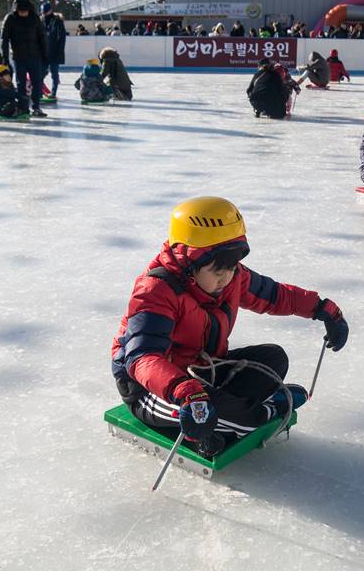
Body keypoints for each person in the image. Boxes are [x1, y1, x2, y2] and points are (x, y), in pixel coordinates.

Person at [111, 196, 349, 458]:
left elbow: (274, 295)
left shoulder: (232, 276)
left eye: (232, 267)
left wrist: (322, 308)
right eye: (217, 270)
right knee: (250, 420)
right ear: (190, 262)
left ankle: (222, 418)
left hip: (201, 370)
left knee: (274, 358)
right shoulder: (155, 290)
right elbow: (142, 358)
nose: (227, 276)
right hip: (151, 388)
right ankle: (260, 412)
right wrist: (185, 391)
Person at [1, 0, 48, 117]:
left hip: (35, 56)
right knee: (21, 83)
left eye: (25, 11)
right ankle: (23, 107)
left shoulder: (35, 18)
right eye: (21, 11)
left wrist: (45, 55)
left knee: (37, 82)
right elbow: (4, 39)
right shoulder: (10, 19)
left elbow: (42, 37)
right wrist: (5, 57)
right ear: (16, 10)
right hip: (19, 57)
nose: (23, 13)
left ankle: (36, 106)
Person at [41, 3, 66, 101]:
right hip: (44, 53)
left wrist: (59, 51)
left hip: (54, 52)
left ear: (50, 10)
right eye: (43, 12)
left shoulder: (58, 21)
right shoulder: (41, 20)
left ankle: (53, 92)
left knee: (54, 74)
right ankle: (39, 92)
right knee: (41, 73)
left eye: (46, 12)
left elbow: (62, 38)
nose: (44, 14)